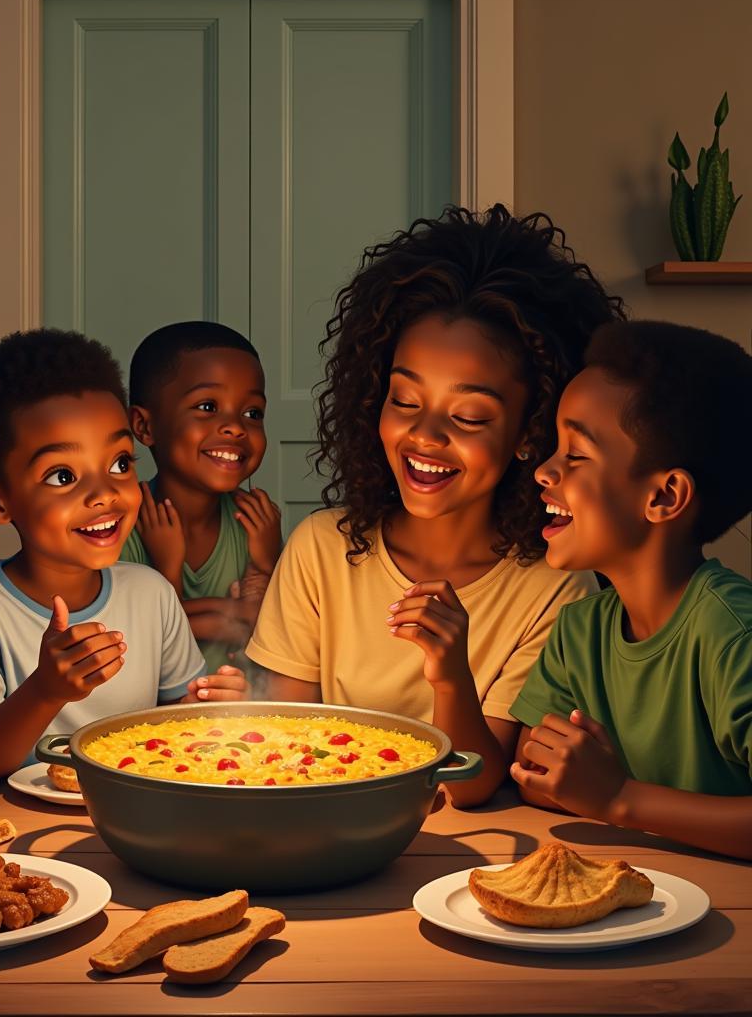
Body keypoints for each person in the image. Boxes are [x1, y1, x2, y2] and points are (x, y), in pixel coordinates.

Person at [247, 205, 623, 806]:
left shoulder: (557, 586)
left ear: (531, 432)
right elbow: (282, 745)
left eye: (469, 416)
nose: (424, 436)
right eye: (404, 399)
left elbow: (474, 784)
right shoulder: (322, 546)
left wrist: (450, 676)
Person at [0, 329, 247, 788]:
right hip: (18, 829)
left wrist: (208, 704)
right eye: (62, 475)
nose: (105, 494)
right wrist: (45, 691)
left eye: (119, 463)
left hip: (138, 812)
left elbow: (176, 722)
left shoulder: (150, 593)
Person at [509, 320, 752, 860]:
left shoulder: (732, 633)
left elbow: (575, 785)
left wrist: (618, 798)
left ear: (665, 496)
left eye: (575, 454)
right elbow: (532, 768)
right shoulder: (581, 628)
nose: (544, 471)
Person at [121, 321, 282, 677]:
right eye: (208, 406)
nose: (236, 427)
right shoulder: (119, 526)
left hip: (240, 721)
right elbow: (145, 643)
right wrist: (169, 571)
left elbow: (277, 632)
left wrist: (269, 562)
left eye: (252, 413)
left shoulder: (253, 524)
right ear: (145, 427)